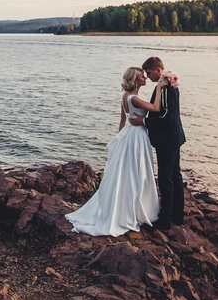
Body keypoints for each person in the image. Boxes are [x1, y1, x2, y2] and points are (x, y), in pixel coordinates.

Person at [65, 67, 163, 237]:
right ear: (135, 80)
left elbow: (122, 120)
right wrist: (160, 87)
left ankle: (129, 205)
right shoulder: (134, 98)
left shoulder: (125, 96)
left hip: (128, 134)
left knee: (127, 171)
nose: (145, 78)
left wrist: (120, 139)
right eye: (142, 77)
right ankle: (133, 210)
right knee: (136, 171)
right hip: (137, 136)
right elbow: (155, 108)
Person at [133, 56, 186, 230]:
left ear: (158, 70)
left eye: (149, 73)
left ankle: (165, 220)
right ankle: (178, 215)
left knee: (166, 178)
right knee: (175, 176)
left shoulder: (164, 88)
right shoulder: (169, 85)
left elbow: (167, 118)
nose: (148, 77)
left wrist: (145, 122)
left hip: (167, 139)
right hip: (174, 137)